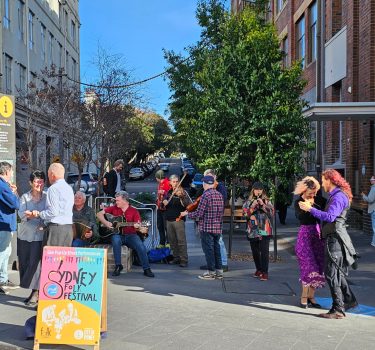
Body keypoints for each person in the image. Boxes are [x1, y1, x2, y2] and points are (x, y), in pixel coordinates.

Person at [299, 169, 358, 319]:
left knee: (331, 274)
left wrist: (310, 209)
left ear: (330, 180)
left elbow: (331, 217)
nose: (322, 183)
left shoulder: (338, 197)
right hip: (334, 237)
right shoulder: (336, 196)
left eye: (323, 180)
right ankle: (349, 300)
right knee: (337, 272)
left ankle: (338, 309)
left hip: (335, 239)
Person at [97, 191, 154, 277]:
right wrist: (106, 223)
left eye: (118, 200)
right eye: (116, 200)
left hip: (131, 235)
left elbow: (139, 227)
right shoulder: (114, 208)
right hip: (118, 235)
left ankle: (146, 268)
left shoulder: (134, 211)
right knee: (115, 239)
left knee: (140, 245)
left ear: (124, 200)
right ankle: (118, 266)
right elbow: (99, 214)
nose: (116, 202)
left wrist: (138, 227)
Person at [180, 175, 224, 280]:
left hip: (207, 227)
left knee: (208, 250)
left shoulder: (206, 195)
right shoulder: (219, 195)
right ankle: (219, 272)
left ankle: (211, 273)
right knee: (216, 249)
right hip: (217, 227)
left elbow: (199, 213)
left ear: (204, 184)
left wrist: (187, 214)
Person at [294, 177, 326, 309]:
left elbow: (326, 212)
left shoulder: (320, 200)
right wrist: (309, 208)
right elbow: (301, 217)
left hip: (318, 235)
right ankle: (303, 296)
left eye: (315, 192)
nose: (314, 195)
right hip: (305, 235)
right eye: (311, 192)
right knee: (308, 266)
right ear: (304, 190)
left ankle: (311, 296)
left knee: (319, 266)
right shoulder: (299, 202)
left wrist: (313, 206)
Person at [17, 170, 47, 306]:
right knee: (25, 264)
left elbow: (49, 214)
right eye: (36, 181)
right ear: (30, 182)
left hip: (40, 236)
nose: (38, 184)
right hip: (25, 235)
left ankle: (36, 292)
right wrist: (33, 215)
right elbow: (22, 214)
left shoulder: (47, 197)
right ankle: (33, 291)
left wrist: (37, 215)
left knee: (37, 264)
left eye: (41, 181)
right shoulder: (25, 197)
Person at [27, 163, 74, 247]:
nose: (48, 178)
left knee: (51, 258)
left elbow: (53, 212)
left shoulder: (53, 189)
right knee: (64, 258)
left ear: (52, 174)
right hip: (68, 229)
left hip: (56, 229)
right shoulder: (69, 188)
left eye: (48, 175)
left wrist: (38, 214)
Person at [242, 182, 274, 281]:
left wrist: (263, 205)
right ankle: (258, 269)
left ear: (263, 191)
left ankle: (265, 272)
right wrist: (253, 206)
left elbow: (272, 213)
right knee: (255, 251)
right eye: (256, 189)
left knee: (264, 251)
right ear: (253, 190)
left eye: (260, 189)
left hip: (265, 228)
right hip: (253, 229)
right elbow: (245, 215)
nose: (258, 191)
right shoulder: (248, 201)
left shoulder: (267, 201)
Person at [199, 169, 229, 272]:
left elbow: (200, 212)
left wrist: (188, 213)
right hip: (215, 221)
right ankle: (217, 267)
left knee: (215, 245)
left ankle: (220, 265)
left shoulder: (219, 188)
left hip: (212, 222)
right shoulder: (215, 193)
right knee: (214, 246)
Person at [163, 174, 192, 267]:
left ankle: (183, 260)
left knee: (181, 241)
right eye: (173, 182)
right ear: (170, 182)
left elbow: (190, 205)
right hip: (169, 219)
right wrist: (164, 202)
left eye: (177, 182)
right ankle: (176, 258)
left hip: (178, 220)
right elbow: (164, 203)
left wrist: (181, 197)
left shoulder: (183, 192)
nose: (175, 184)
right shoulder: (168, 192)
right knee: (172, 241)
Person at [0, 162, 20, 295]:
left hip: (5, 223)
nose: (12, 174)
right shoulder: (3, 186)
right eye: (12, 172)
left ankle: (3, 279)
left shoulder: (4, 185)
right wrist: (14, 192)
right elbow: (16, 203)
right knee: (2, 253)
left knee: (6, 252)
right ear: (7, 172)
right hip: (3, 224)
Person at [155, 170, 170, 247]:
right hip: (159, 208)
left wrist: (164, 193)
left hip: (165, 209)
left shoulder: (167, 183)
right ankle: (162, 243)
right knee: (160, 226)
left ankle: (168, 242)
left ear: (158, 177)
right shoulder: (160, 184)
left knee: (166, 226)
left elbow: (169, 194)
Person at [361, 175, 375, 247]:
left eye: (372, 179)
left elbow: (370, 199)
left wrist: (363, 196)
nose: (370, 180)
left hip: (374, 210)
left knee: (374, 227)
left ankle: (374, 242)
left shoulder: (373, 188)